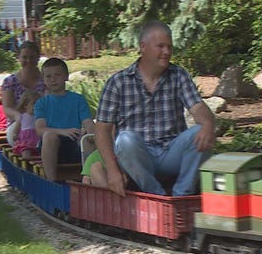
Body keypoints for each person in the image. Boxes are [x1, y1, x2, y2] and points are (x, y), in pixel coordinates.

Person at [95, 20, 216, 197]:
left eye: (169, 46)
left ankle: (181, 195)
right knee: (125, 140)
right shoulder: (118, 83)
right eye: (160, 46)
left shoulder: (178, 75)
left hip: (171, 153)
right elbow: (101, 132)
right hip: (137, 158)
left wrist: (207, 124)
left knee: (199, 131)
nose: (166, 52)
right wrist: (113, 171)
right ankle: (157, 196)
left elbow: (198, 108)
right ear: (143, 47)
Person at [35, 57, 95, 181]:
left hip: (75, 143)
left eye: (57, 75)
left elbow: (88, 123)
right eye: (49, 76)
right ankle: (51, 181)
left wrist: (89, 133)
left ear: (66, 76)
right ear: (44, 80)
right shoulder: (42, 103)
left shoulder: (78, 100)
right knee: (49, 136)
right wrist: (63, 131)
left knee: (88, 138)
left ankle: (89, 179)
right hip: (51, 146)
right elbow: (40, 129)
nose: (53, 79)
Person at [2, 41, 46, 146]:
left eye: (32, 57)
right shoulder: (10, 81)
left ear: (38, 58)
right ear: (19, 58)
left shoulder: (46, 80)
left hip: (42, 123)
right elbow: (7, 108)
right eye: (24, 57)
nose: (28, 60)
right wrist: (18, 117)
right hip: (19, 124)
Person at [11, 90, 41, 157]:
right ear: (26, 105)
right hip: (26, 142)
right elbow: (16, 129)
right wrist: (14, 135)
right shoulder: (22, 117)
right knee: (26, 152)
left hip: (38, 141)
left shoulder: (41, 117)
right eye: (34, 103)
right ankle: (26, 163)